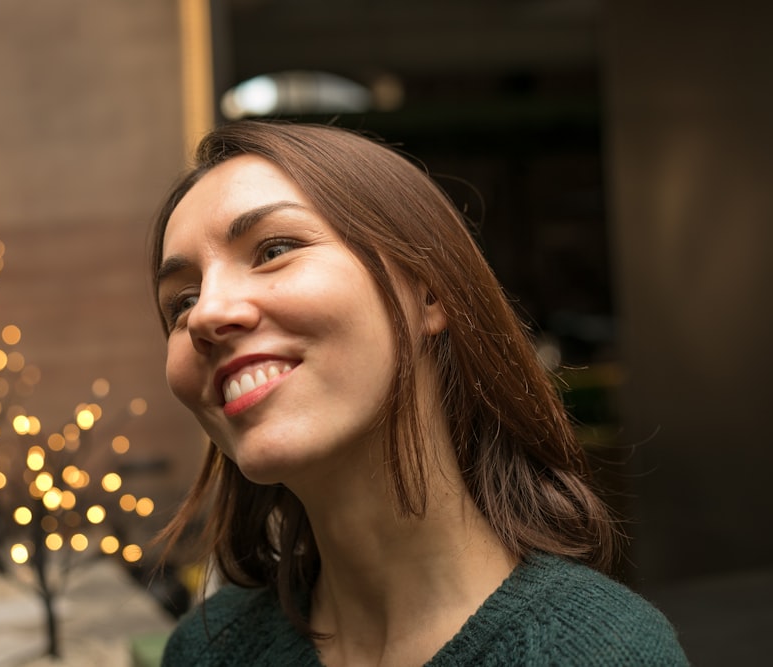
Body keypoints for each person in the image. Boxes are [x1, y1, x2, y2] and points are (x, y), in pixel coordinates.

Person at [149, 120, 688, 666]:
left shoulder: (598, 655)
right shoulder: (207, 652)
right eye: (181, 301)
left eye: (274, 250)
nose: (207, 315)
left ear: (428, 290)